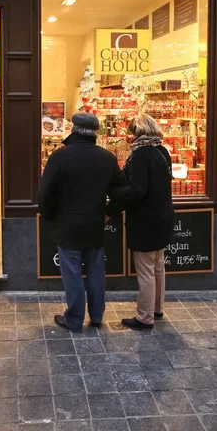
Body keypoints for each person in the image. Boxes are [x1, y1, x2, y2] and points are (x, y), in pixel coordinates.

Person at [38, 112, 124, 332]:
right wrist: (109, 212)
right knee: (96, 272)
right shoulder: (107, 158)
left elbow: (45, 193)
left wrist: (48, 217)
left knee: (72, 274)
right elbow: (122, 192)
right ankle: (96, 316)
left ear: (73, 130)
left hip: (66, 226)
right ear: (95, 133)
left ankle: (74, 319)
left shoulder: (60, 156)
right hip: (94, 224)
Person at [107, 113, 174, 330]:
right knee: (158, 267)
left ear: (138, 132)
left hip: (145, 221)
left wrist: (115, 193)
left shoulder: (140, 156)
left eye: (131, 132)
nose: (129, 136)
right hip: (163, 217)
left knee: (145, 271)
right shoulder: (162, 151)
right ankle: (157, 308)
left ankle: (145, 317)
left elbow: (137, 190)